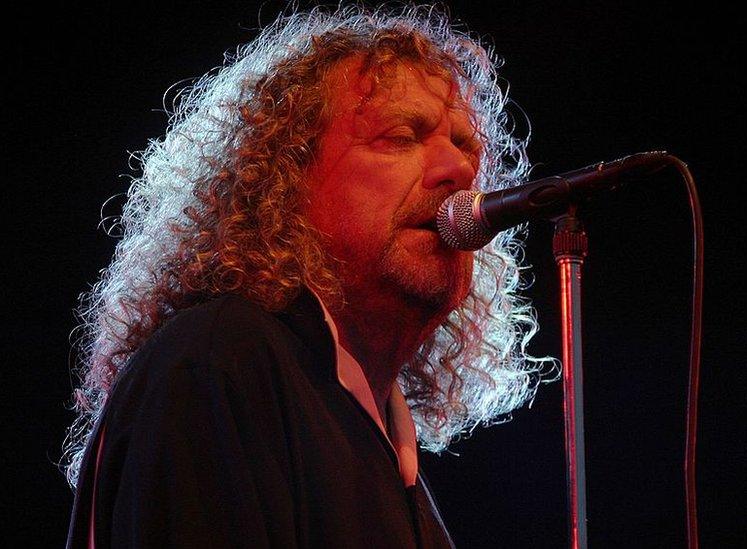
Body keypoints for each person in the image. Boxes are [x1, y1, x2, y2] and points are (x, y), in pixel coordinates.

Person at [63, 6, 552, 548]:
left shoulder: (375, 426)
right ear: (282, 180)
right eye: (401, 135)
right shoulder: (219, 358)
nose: (459, 170)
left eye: (465, 145)